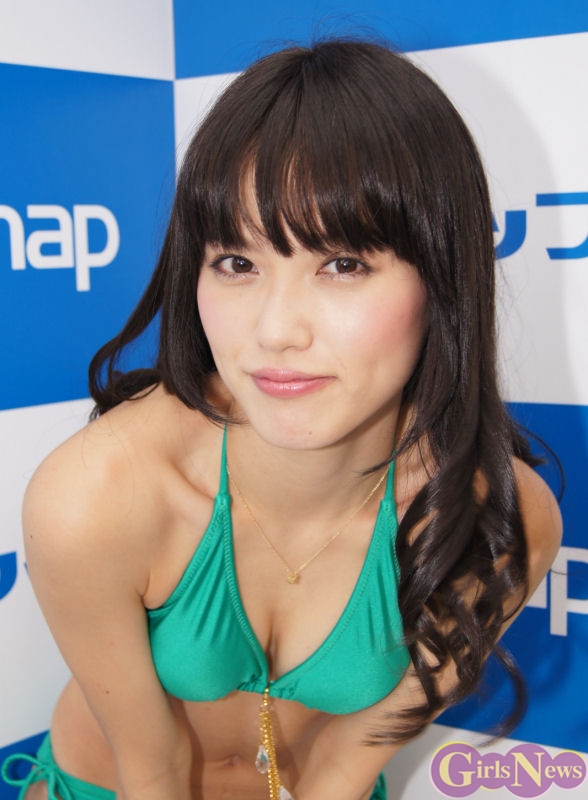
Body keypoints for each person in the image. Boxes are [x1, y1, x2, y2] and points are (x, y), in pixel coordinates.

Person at [2, 38, 561, 800]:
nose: (274, 331)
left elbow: (341, 770)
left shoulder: (495, 522)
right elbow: (151, 769)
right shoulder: (95, 495)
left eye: (342, 265)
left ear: (442, 275)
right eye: (237, 263)